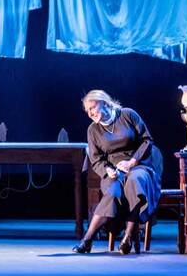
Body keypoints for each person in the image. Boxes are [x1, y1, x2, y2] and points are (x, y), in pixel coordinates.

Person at [73, 90, 161, 255]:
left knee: (136, 181)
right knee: (113, 192)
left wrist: (132, 162)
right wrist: (108, 170)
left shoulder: (127, 115)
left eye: (93, 107)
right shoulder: (93, 130)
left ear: (105, 103)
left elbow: (147, 140)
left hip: (139, 165)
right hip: (114, 171)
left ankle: (127, 237)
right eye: (87, 111)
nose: (91, 113)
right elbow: (96, 159)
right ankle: (87, 240)